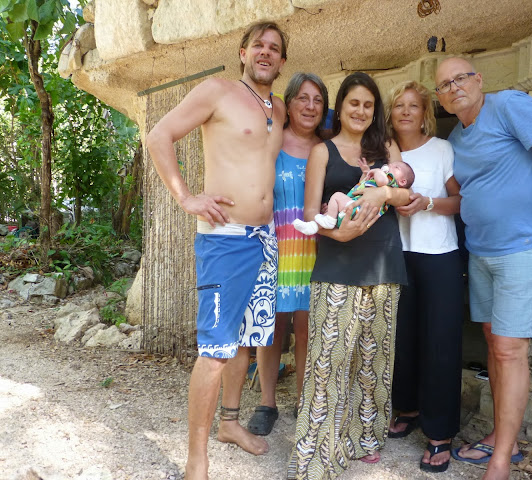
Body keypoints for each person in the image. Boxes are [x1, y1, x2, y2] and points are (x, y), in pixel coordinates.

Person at [145, 21, 288, 480]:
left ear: (282, 62)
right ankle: (195, 462)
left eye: (276, 49)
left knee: (246, 340)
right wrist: (186, 197)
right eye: (259, 46)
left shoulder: (279, 109)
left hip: (265, 239)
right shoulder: (217, 91)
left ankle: (230, 424)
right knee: (215, 350)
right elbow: (159, 136)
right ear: (243, 52)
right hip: (226, 241)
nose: (267, 53)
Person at [434, 57, 532, 480]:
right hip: (480, 252)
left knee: (508, 349)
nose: (453, 87)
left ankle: (501, 460)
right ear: (441, 98)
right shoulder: (457, 139)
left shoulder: (509, 107)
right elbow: (467, 193)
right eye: (444, 85)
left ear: (479, 80)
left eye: (460, 78)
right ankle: (507, 440)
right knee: (493, 345)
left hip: (520, 249)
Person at [287, 72, 411, 480]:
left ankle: (365, 440)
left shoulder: (385, 146)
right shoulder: (323, 151)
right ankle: (318, 452)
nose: (361, 111)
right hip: (337, 263)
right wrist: (338, 230)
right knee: (328, 360)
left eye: (368, 105)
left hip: (382, 262)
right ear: (341, 107)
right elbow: (309, 214)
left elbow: (406, 194)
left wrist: (382, 193)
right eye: (354, 103)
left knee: (373, 359)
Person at [385, 80, 465, 473]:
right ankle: (408, 408)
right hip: (400, 257)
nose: (404, 111)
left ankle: (440, 434)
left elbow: (460, 202)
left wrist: (427, 203)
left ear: (425, 113)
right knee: (403, 339)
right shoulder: (383, 154)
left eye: (412, 105)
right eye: (398, 105)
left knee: (439, 344)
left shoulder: (441, 149)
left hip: (439, 256)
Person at [246, 72, 329, 436]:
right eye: (303, 99)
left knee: (308, 327)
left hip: (316, 248)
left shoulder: (328, 148)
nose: (310, 106)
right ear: (290, 103)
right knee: (271, 328)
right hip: (275, 245)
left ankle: (302, 401)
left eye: (317, 100)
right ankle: (267, 403)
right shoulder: (273, 143)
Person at [293, 159, 415, 234]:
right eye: (391, 164)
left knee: (336, 196)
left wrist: (378, 171)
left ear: (402, 182)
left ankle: (329, 221)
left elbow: (382, 182)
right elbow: (361, 186)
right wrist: (366, 174)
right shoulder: (380, 179)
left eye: (396, 167)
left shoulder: (390, 180)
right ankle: (313, 226)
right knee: (330, 212)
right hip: (357, 211)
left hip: (359, 210)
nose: (390, 165)